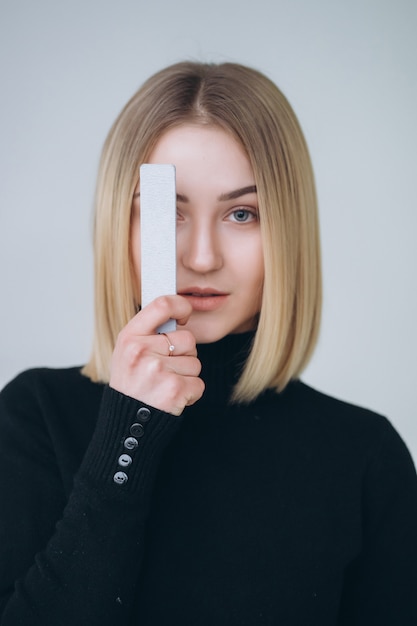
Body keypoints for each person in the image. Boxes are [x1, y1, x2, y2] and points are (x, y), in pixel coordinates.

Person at [0, 61, 416, 626]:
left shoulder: (367, 457)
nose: (201, 257)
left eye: (241, 214)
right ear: (119, 224)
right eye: (166, 213)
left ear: (286, 232)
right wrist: (129, 435)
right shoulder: (35, 417)